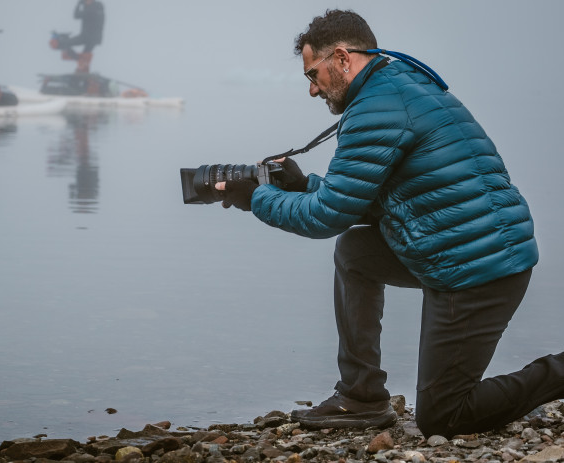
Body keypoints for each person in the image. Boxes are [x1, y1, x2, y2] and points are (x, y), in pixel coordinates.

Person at [216, 9, 564, 438]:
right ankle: (361, 396)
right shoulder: (397, 86)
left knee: (444, 416)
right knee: (357, 251)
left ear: (342, 59)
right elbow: (372, 201)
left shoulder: (376, 108)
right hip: (463, 247)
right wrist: (304, 184)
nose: (311, 89)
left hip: (477, 269)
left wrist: (257, 198)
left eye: (314, 74)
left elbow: (327, 216)